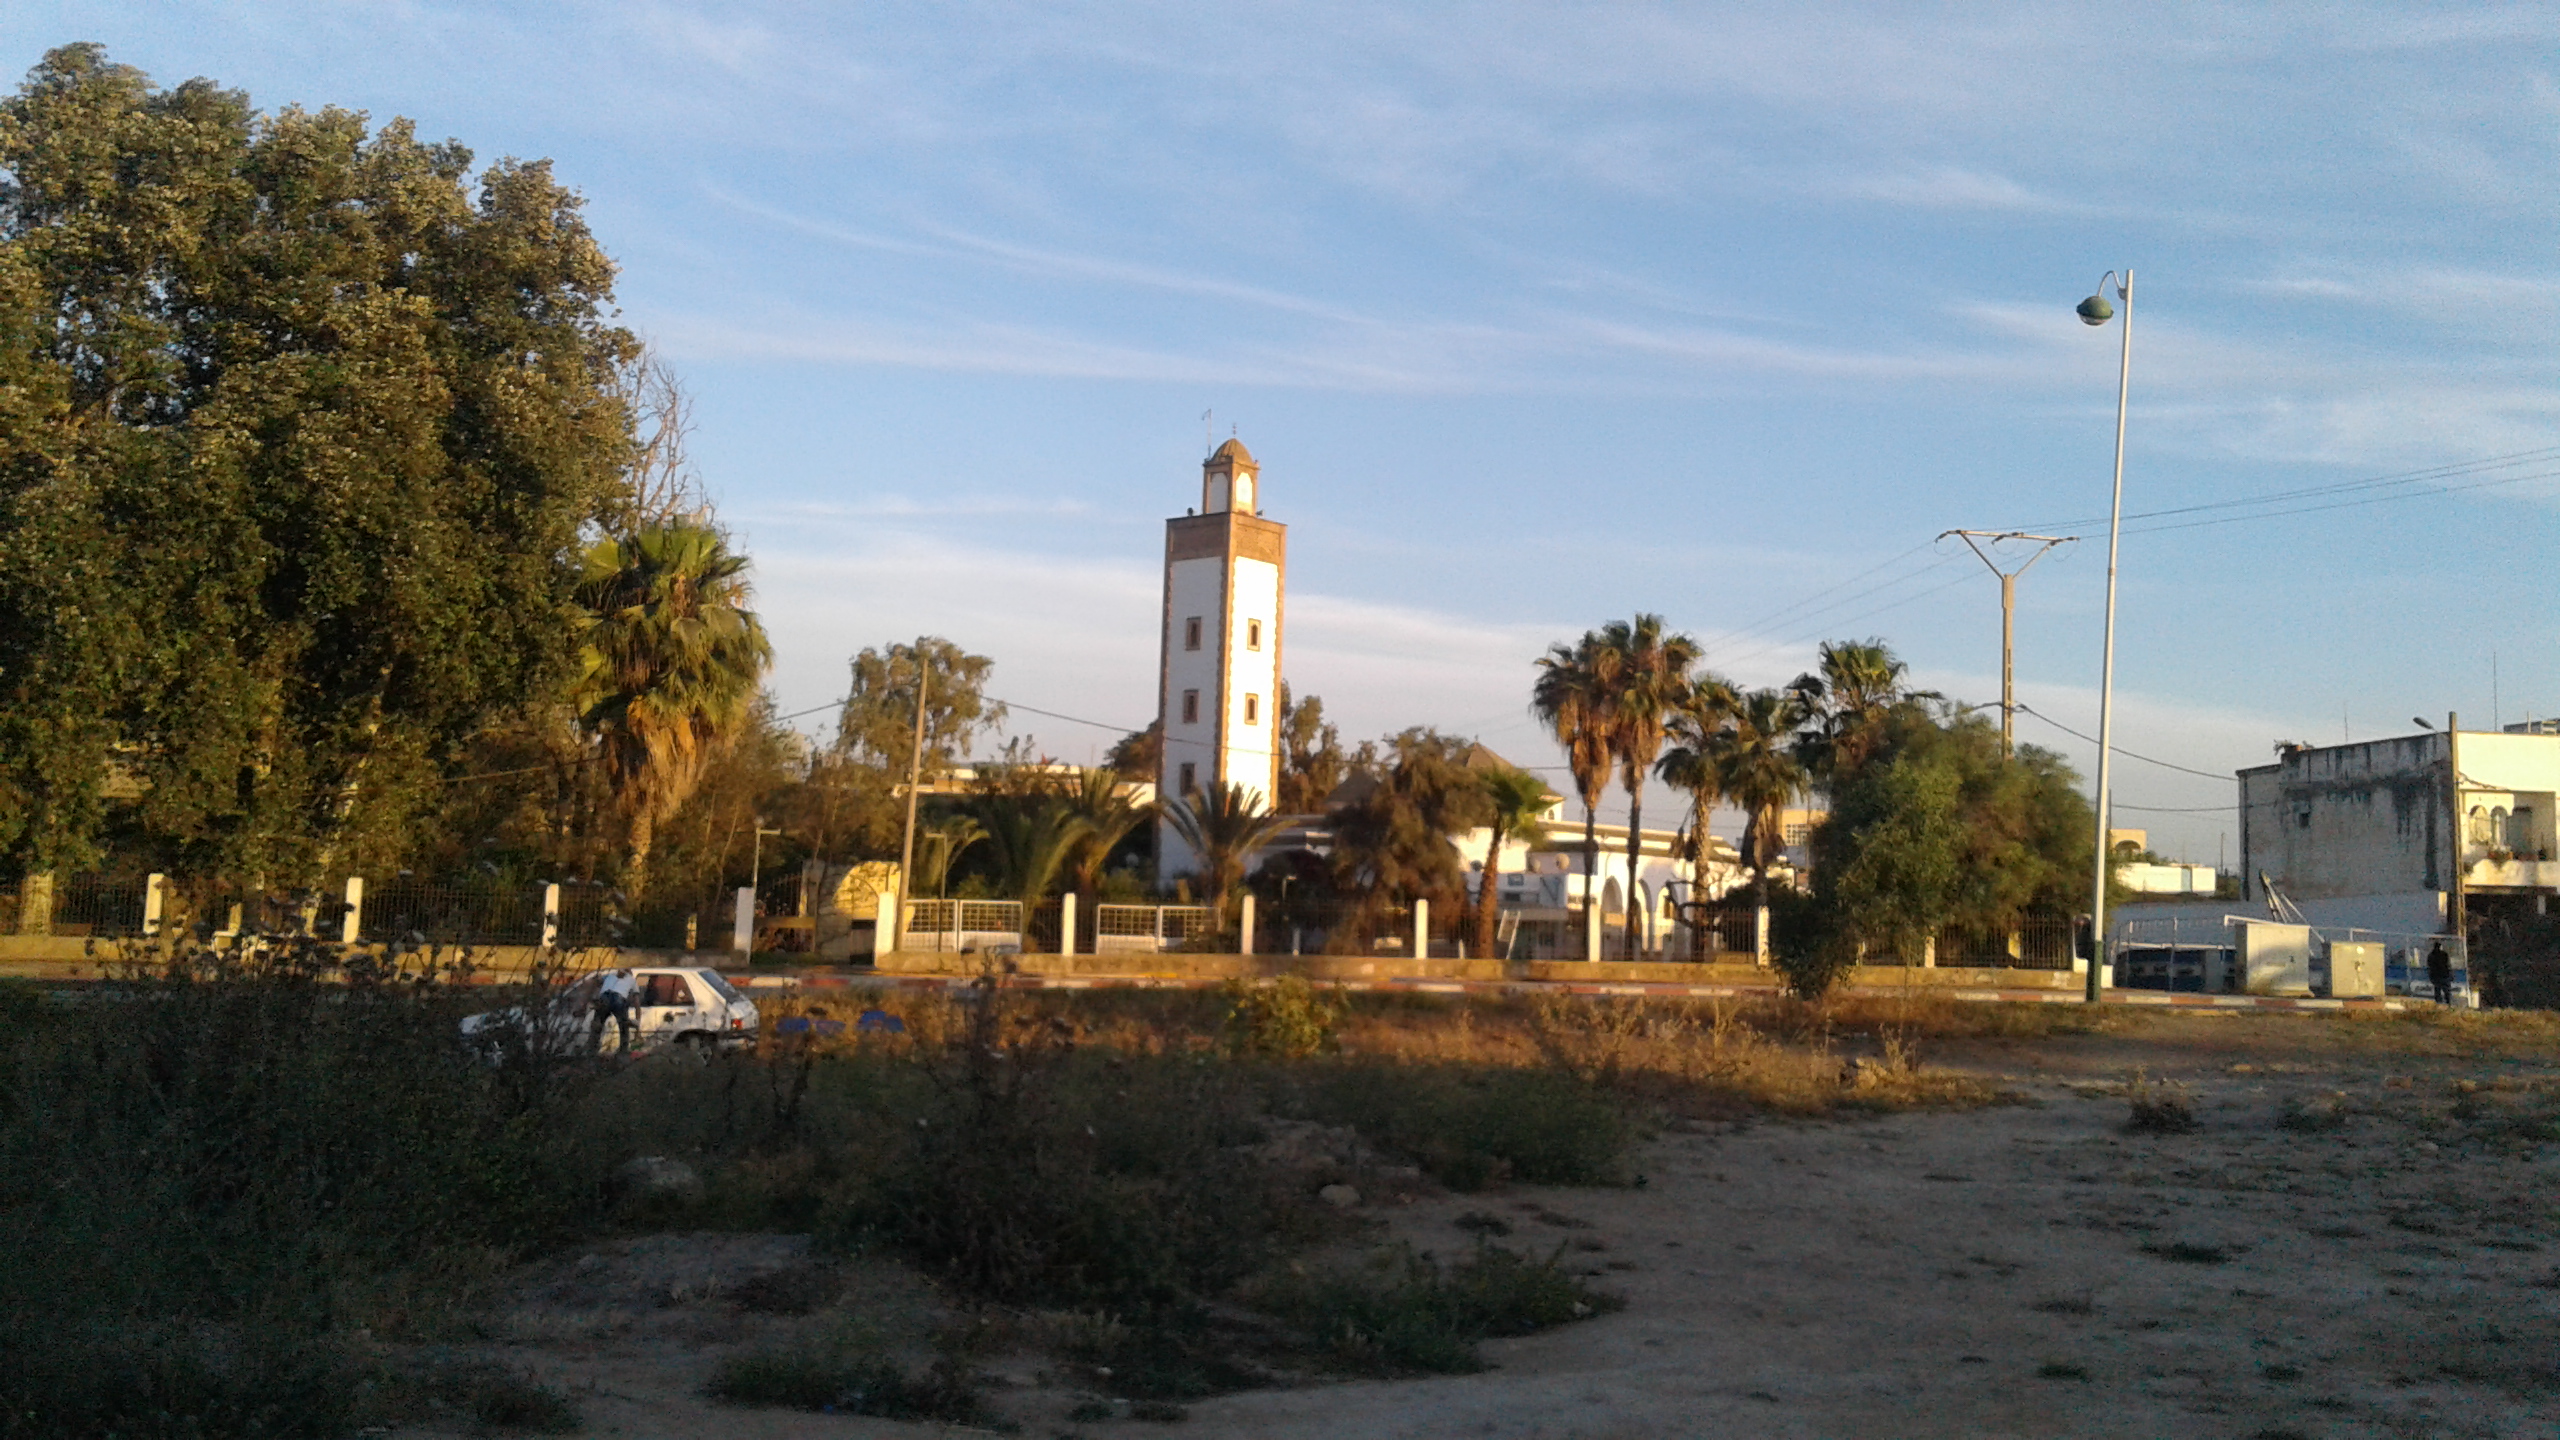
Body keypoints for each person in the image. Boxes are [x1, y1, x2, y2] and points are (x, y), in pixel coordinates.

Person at [591, 967, 638, 1053]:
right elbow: (636, 1001)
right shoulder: (632, 980)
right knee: (624, 1028)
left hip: (604, 997)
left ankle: (591, 1051)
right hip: (618, 999)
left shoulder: (610, 976)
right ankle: (623, 1052)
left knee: (597, 1026)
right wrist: (637, 1020)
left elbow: (598, 981)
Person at [2426, 940, 2454, 1006]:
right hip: (2444, 974)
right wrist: (2450, 973)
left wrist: (2431, 975)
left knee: (2437, 989)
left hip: (2435, 975)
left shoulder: (2431, 955)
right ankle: (2448, 1003)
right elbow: (2448, 964)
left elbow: (2429, 965)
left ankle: (2439, 1003)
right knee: (2446, 990)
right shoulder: (2444, 954)